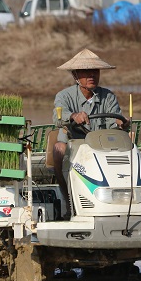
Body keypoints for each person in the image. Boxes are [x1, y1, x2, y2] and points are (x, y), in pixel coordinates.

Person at [52, 48, 129, 218]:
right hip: (75, 145)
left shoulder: (108, 96)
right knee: (58, 149)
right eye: (86, 72)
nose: (91, 75)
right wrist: (73, 116)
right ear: (75, 75)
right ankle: (67, 200)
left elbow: (113, 121)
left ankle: (121, 200)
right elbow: (57, 118)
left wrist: (120, 123)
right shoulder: (64, 96)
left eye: (94, 71)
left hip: (101, 145)